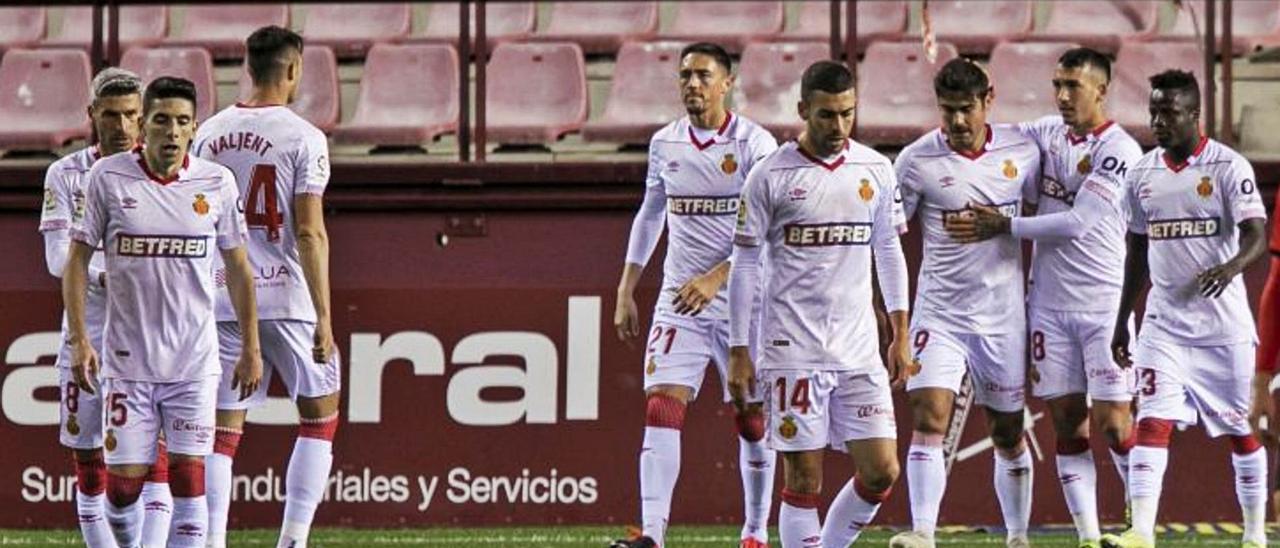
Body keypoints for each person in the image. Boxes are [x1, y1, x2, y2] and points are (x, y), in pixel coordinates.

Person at [945, 48, 1143, 547]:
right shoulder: (1045, 133)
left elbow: (1079, 224)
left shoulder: (1120, 150)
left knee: (1115, 424)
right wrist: (979, 86)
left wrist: (1004, 225)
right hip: (1049, 306)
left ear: (1101, 89)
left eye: (1073, 86)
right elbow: (996, 132)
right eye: (1057, 85)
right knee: (1067, 423)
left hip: (1104, 305)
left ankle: (1142, 525)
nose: (1062, 95)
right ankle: (1091, 537)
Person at [63, 76, 263, 548]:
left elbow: (238, 266)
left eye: (181, 122)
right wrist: (80, 339)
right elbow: (75, 261)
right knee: (123, 491)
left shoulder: (216, 182)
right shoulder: (107, 178)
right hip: (129, 363)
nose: (172, 132)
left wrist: (250, 346)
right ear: (143, 126)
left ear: (194, 128)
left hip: (194, 363)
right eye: (161, 121)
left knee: (189, 479)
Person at [726, 59, 912, 548]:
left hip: (858, 349)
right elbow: (745, 264)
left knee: (881, 472)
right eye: (827, 115)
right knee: (804, 481)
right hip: (793, 348)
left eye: (848, 114)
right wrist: (739, 349)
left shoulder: (875, 168)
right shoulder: (769, 176)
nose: (838, 126)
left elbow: (888, 251)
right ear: (803, 109)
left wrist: (900, 332)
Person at [609, 42, 779, 548]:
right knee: (663, 403)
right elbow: (651, 213)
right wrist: (626, 288)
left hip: (744, 300)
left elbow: (770, 232)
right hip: (679, 299)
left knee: (752, 416)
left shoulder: (756, 145)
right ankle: (653, 535)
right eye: (685, 76)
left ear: (728, 83)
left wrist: (716, 278)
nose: (692, 84)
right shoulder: (665, 143)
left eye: (703, 75)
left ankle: (754, 530)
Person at [1106, 69, 1269, 548]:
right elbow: (1136, 250)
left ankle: (1256, 534)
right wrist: (1122, 320)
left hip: (1223, 328)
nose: (1158, 121)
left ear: (1194, 115)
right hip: (1164, 326)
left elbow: (1257, 234)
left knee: (1243, 430)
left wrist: (1232, 267)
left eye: (1169, 112)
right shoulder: (1141, 174)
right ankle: (1140, 532)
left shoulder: (1227, 167)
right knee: (1152, 419)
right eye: (1153, 111)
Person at [192, 26, 338, 548]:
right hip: (287, 296)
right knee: (320, 415)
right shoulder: (304, 137)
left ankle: (210, 540)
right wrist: (324, 315)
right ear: (294, 69)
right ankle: (292, 540)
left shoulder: (207, 133)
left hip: (220, 293)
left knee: (221, 431)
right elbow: (309, 230)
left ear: (248, 69)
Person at [888, 58, 1042, 548]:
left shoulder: (1024, 150)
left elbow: (1048, 214)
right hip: (940, 313)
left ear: (988, 101)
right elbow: (885, 239)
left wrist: (1005, 225)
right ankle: (923, 533)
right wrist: (895, 319)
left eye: (966, 109)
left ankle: (1017, 536)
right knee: (929, 416)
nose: (956, 122)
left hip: (1002, 317)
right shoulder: (915, 161)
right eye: (947, 110)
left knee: (1007, 431)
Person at [40, 66, 175, 548]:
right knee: (91, 465)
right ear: (92, 114)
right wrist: (111, 272)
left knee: (156, 460)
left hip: (151, 338)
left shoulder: (165, 169)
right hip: (89, 334)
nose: (122, 127)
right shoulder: (65, 174)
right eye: (112, 115)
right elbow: (59, 258)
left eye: (132, 115)